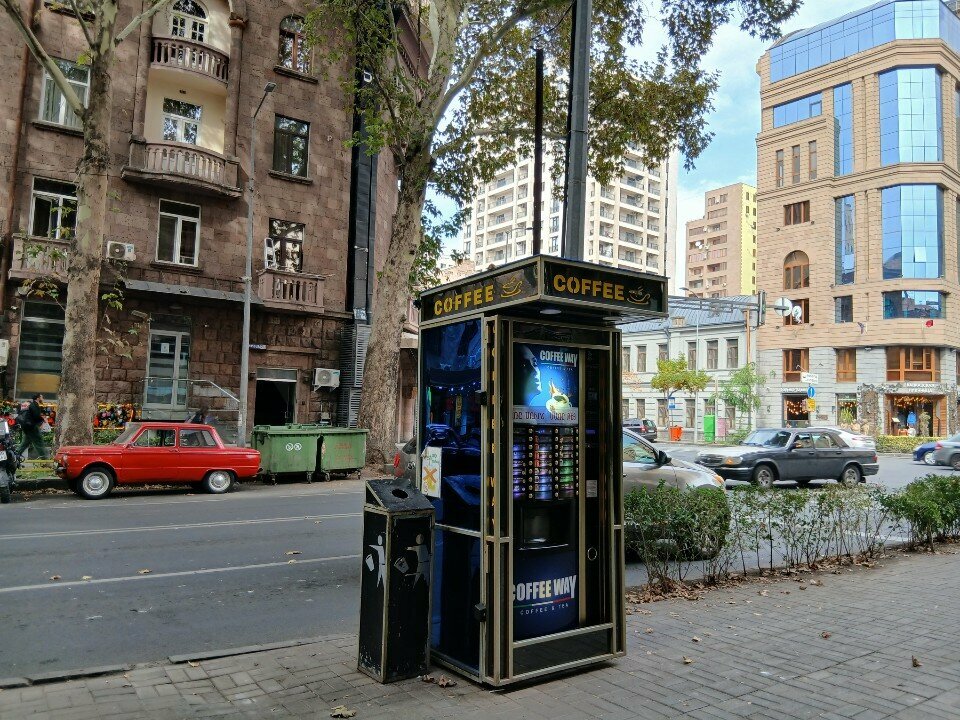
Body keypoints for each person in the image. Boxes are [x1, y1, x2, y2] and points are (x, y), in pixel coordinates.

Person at [16, 393, 48, 460]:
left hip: (27, 427)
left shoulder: (33, 405)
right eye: (42, 397)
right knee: (39, 442)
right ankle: (45, 459)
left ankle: (16, 455)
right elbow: (36, 416)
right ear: (38, 398)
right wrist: (43, 419)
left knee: (25, 443)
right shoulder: (34, 405)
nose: (43, 398)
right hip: (32, 427)